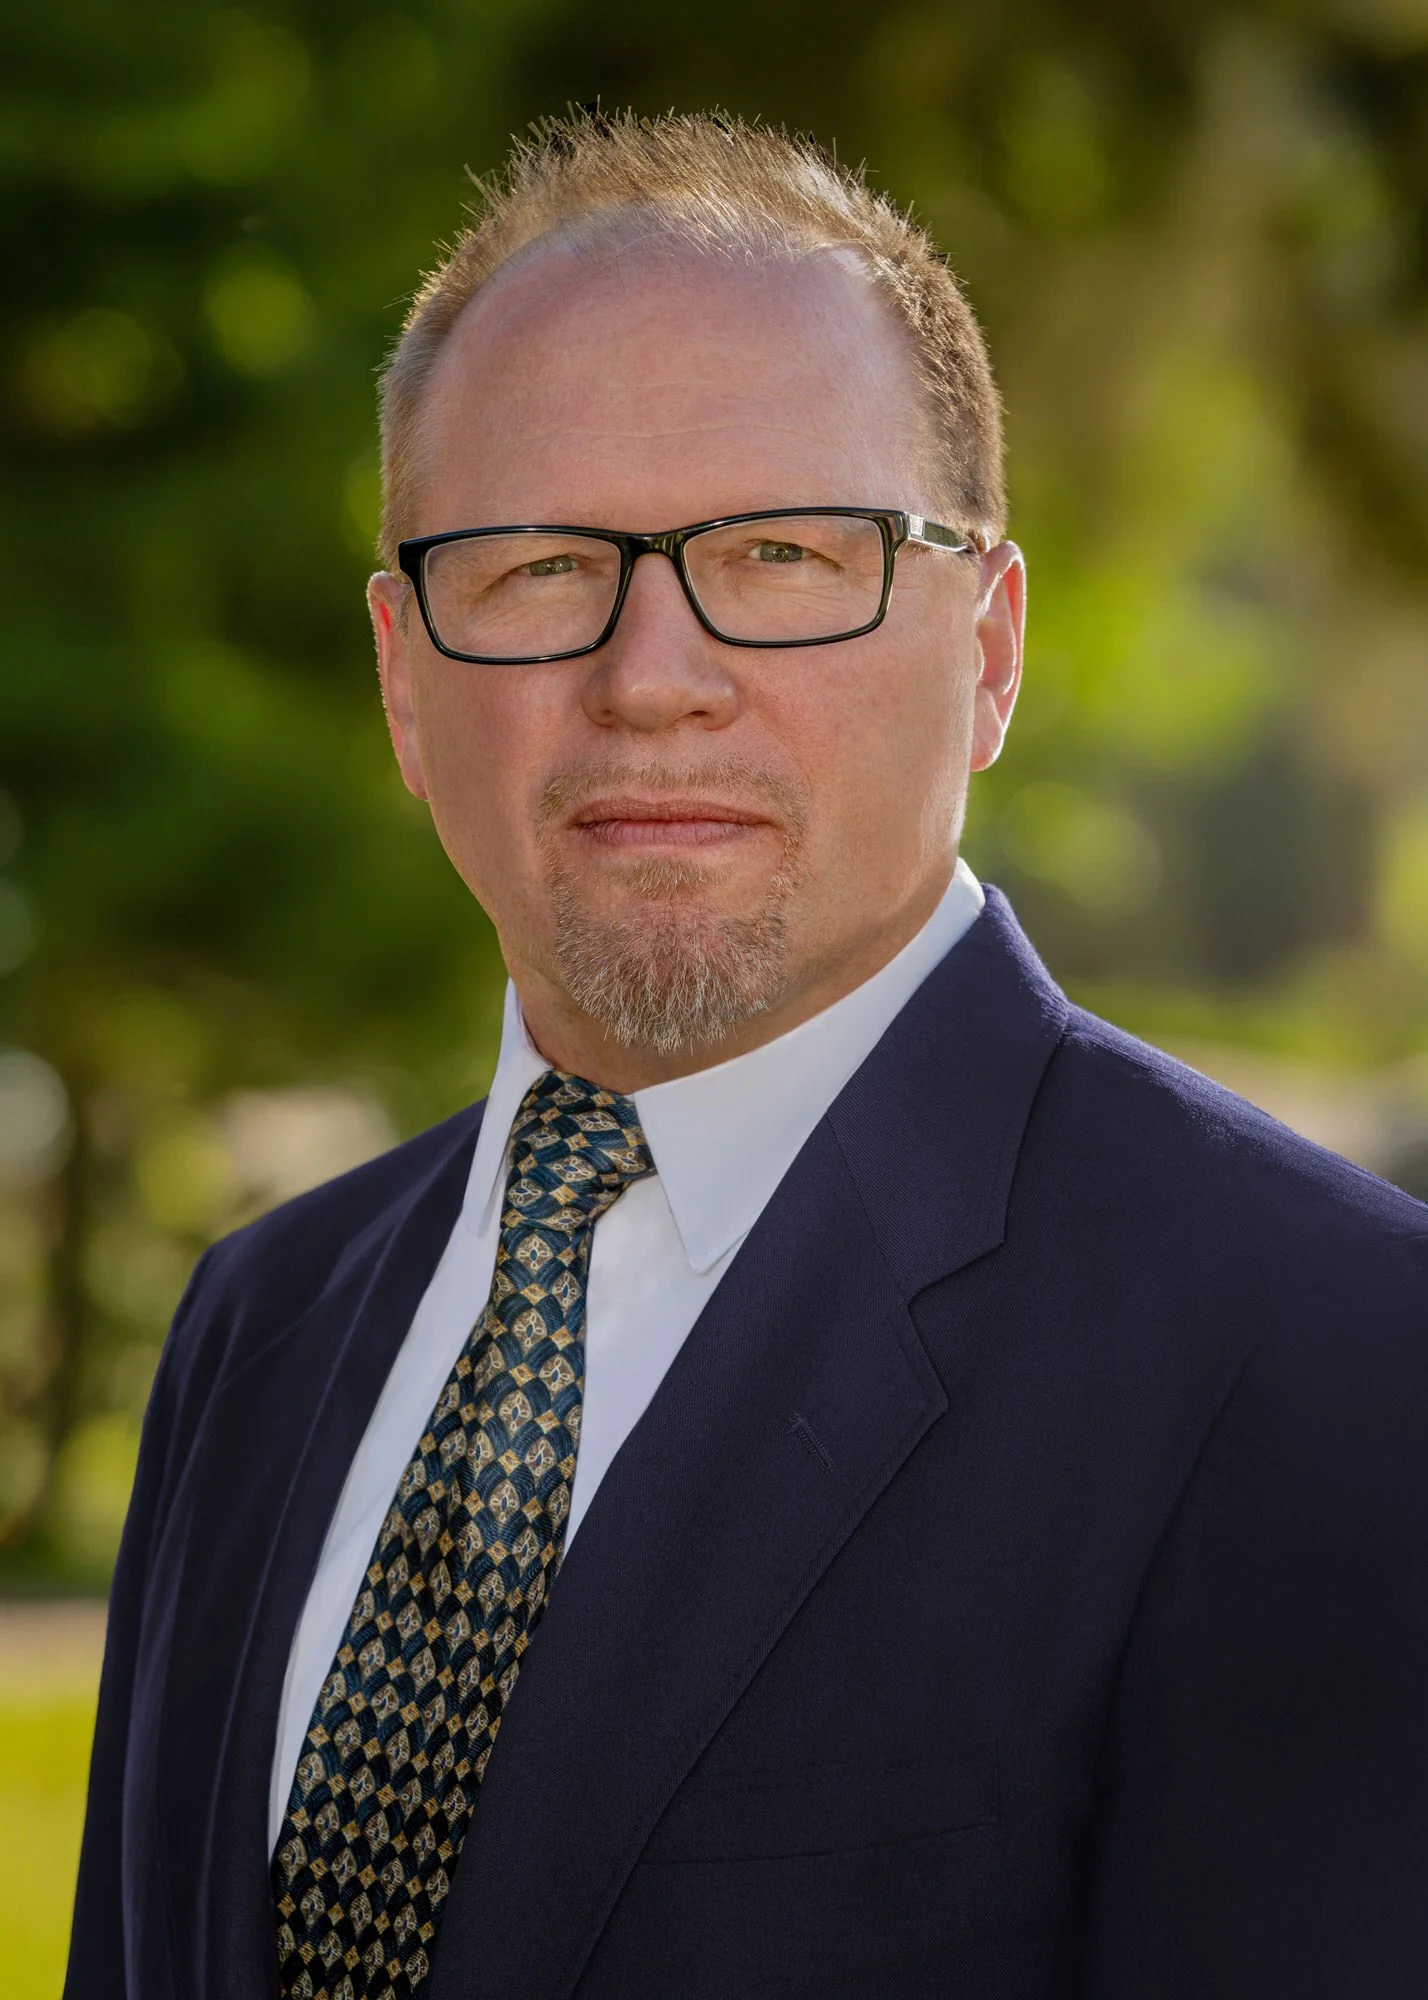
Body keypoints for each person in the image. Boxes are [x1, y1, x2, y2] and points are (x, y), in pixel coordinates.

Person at [66, 111, 1428, 2000]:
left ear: (991, 647)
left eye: (786, 553)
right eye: (538, 565)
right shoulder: (262, 1328)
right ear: (401, 671)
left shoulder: (1329, 1353)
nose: (652, 672)